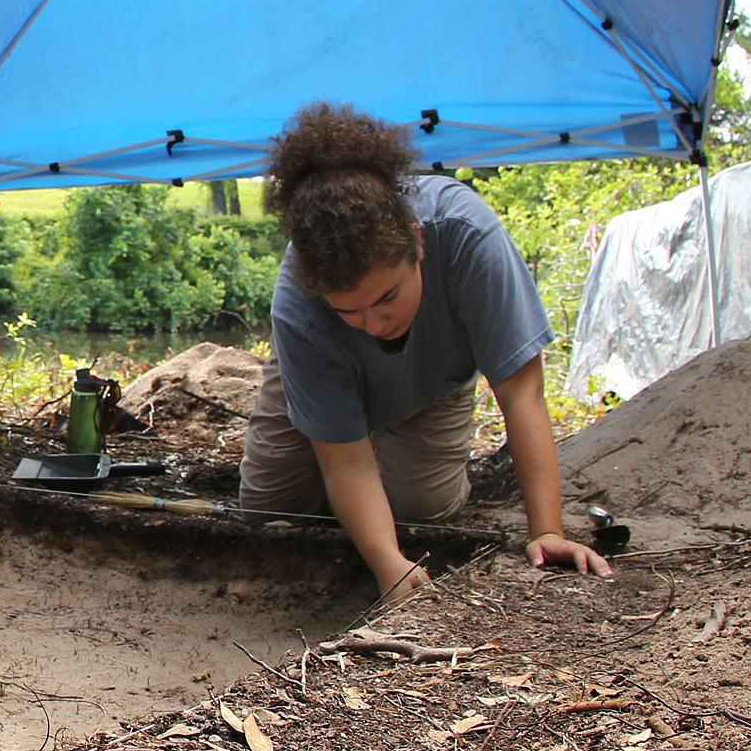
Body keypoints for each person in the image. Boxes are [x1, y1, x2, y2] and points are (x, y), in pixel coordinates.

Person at [237, 104, 612, 605]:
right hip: (320, 375)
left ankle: (394, 474)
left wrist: (546, 530)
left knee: (420, 509)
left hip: (431, 382)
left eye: (387, 298)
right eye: (350, 312)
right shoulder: (299, 305)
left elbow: (522, 393)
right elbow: (346, 461)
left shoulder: (468, 237)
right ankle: (341, 483)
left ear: (417, 244)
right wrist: (386, 562)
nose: (374, 325)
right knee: (269, 509)